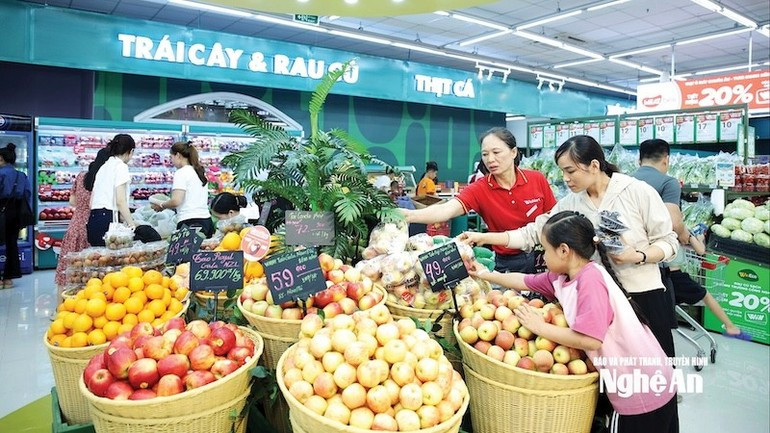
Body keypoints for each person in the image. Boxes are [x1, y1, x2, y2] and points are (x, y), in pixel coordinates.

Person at [460, 135, 679, 358]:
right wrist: (484, 237)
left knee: (654, 370)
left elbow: (669, 241)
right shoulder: (571, 203)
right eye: (562, 171)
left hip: (643, 297)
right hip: (596, 302)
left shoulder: (636, 191)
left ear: (594, 166)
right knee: (610, 376)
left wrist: (637, 255)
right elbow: (531, 233)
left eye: (570, 171)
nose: (565, 178)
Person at [470, 211, 678, 433]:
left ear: (563, 251)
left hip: (639, 387)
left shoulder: (590, 281)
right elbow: (524, 281)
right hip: (646, 380)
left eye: (544, 250)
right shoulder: (564, 278)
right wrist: (486, 274)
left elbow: (591, 340)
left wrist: (541, 327)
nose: (542, 257)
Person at [633, 139, 748, 339]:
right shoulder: (668, 183)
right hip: (661, 262)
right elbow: (674, 222)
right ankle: (730, 327)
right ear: (666, 159)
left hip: (634, 259)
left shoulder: (623, 181)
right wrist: (689, 238)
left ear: (638, 159)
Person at [402, 127, 557, 273]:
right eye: (485, 154)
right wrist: (408, 215)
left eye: (496, 152)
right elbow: (446, 209)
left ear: (513, 152)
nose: (490, 159)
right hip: (507, 262)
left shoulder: (536, 179)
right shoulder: (480, 188)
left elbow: (555, 219)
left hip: (544, 258)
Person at [151, 141, 213, 237]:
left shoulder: (181, 173)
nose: (171, 161)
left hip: (190, 222)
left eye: (171, 157)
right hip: (207, 221)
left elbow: (176, 201)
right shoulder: (199, 172)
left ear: (178, 155)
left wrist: (161, 205)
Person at [87, 134, 137, 246]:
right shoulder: (121, 167)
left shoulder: (103, 167)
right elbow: (120, 200)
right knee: (112, 259)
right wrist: (131, 224)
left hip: (93, 219)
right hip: (108, 221)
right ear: (131, 151)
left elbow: (91, 202)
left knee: (97, 259)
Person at [0, 144, 32, 289]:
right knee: (12, 244)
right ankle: (8, 278)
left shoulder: (1, 174)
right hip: (15, 212)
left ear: (1, 159)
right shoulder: (21, 175)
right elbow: (27, 194)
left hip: (1, 210)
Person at [55, 171, 91, 288]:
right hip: (92, 222)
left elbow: (72, 201)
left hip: (76, 223)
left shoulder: (81, 175)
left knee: (69, 265)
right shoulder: (103, 177)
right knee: (89, 267)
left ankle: (62, 302)